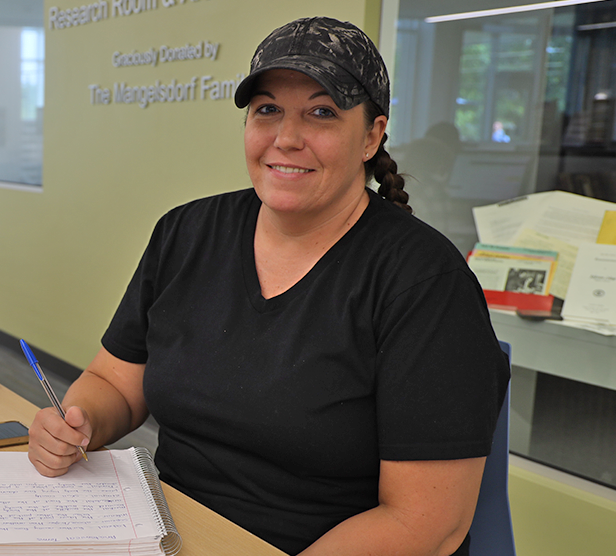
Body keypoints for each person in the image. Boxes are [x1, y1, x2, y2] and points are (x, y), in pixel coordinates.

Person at [27, 16, 510, 556]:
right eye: (268, 110)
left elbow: (426, 523)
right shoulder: (186, 233)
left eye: (322, 112)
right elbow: (114, 382)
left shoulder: (423, 282)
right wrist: (79, 423)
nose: (286, 138)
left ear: (373, 135)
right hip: (170, 532)